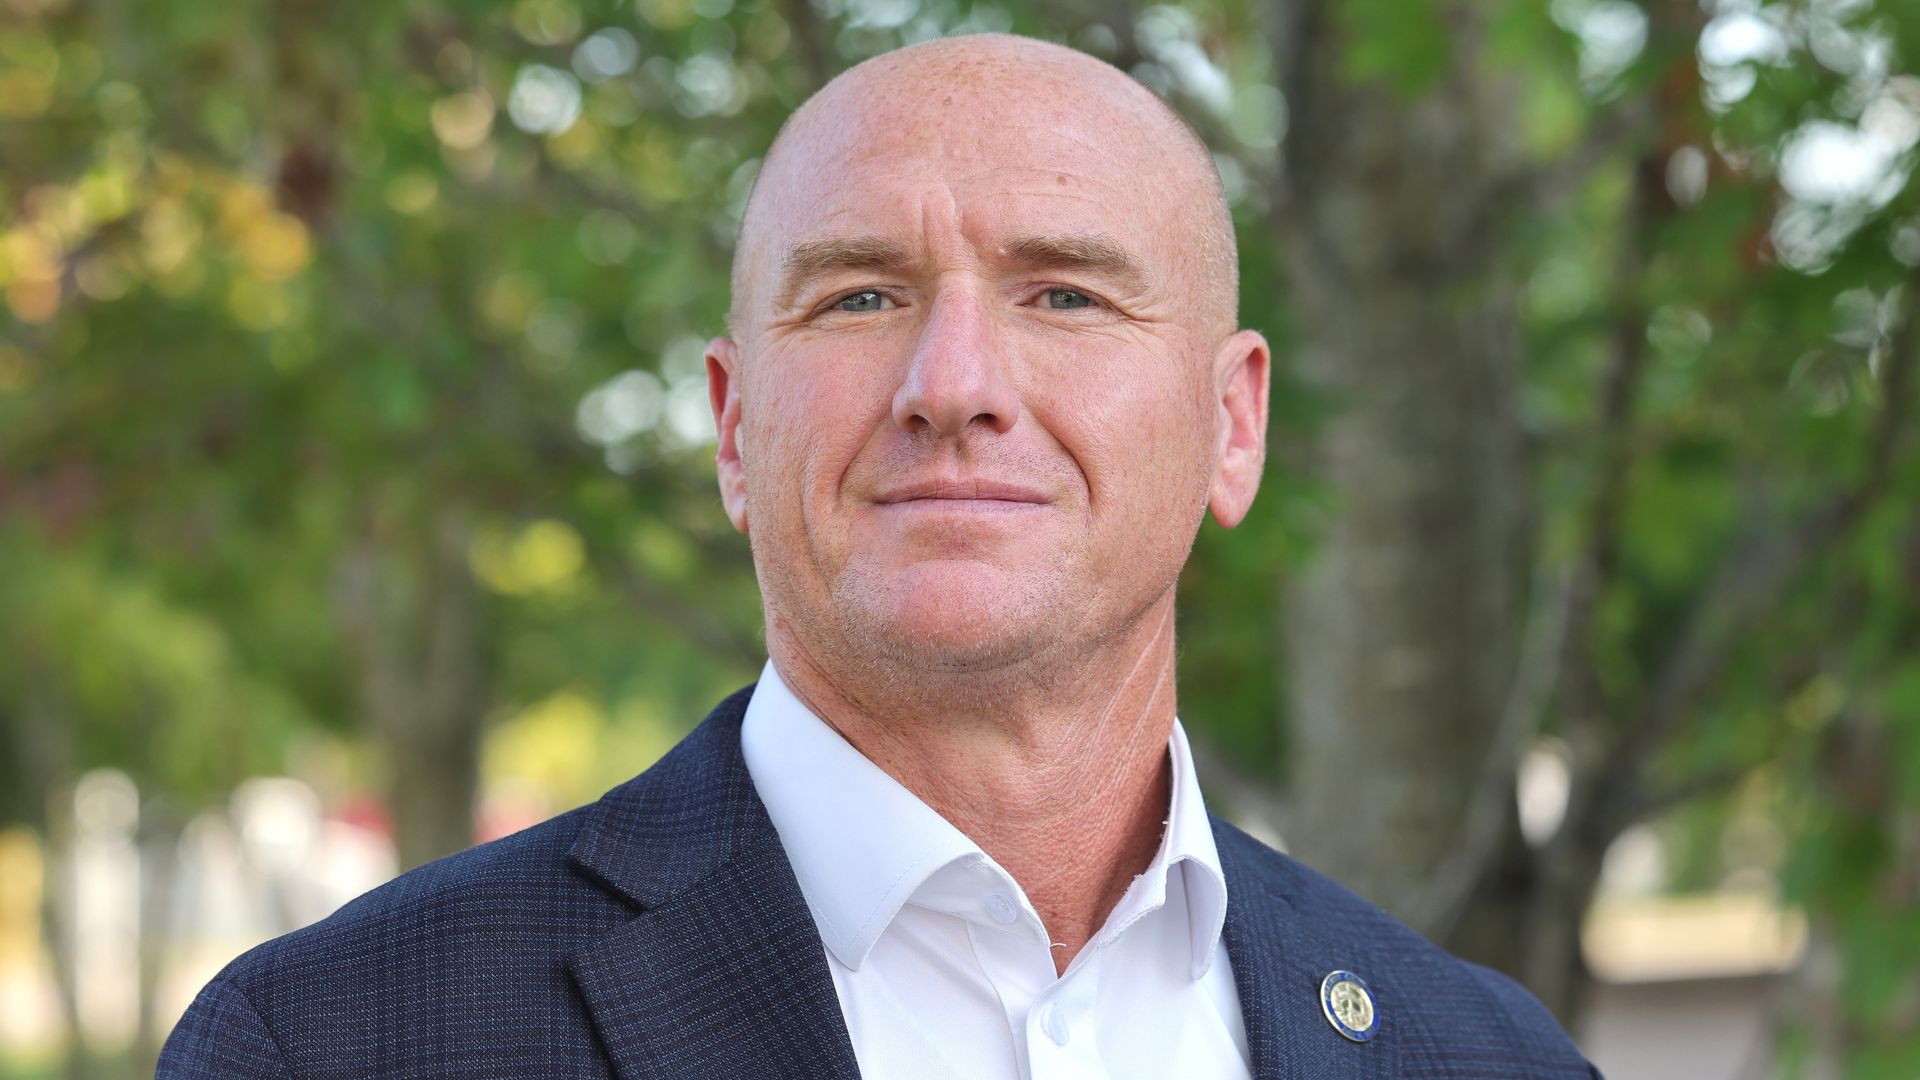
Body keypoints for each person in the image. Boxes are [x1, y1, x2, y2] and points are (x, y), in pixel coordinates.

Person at [159, 33, 1600, 1079]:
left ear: (1233, 426)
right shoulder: (337, 1043)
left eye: (1064, 293)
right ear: (733, 428)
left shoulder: (1482, 1058)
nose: (953, 380)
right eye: (860, 296)